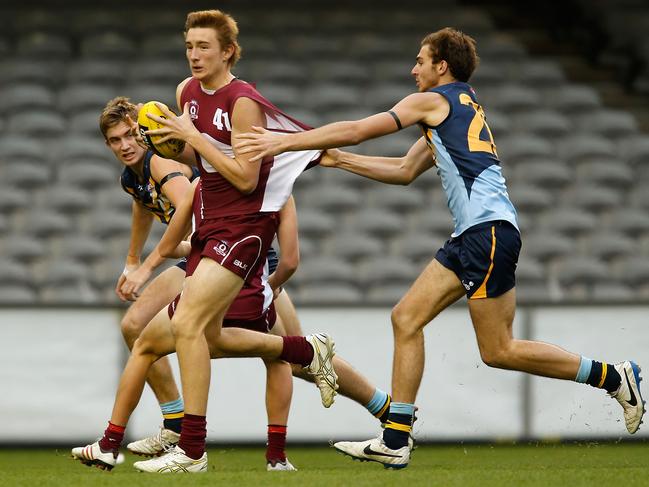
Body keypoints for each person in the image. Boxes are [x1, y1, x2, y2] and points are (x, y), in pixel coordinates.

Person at [235, 27, 645, 468]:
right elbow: (404, 170)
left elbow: (357, 130)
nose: (413, 69)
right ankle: (395, 439)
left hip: (485, 233)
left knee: (498, 351)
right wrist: (336, 161)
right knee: (406, 318)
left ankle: (613, 376)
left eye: (420, 60)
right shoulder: (459, 108)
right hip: (477, 234)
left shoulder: (434, 100)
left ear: (441, 66)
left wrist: (287, 141)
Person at [125, 9, 343, 472]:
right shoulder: (186, 92)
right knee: (204, 335)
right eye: (189, 46)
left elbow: (245, 178)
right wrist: (165, 140)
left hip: (245, 224)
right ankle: (306, 351)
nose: (194, 55)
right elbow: (194, 156)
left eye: (204, 47)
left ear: (228, 51)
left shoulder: (244, 102)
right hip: (211, 223)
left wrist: (191, 136)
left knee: (186, 326)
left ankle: (192, 450)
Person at [73, 181, 297, 472]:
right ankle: (277, 457)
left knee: (148, 345)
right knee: (278, 359)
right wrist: (273, 287)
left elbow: (170, 246)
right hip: (254, 292)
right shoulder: (279, 186)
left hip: (208, 288)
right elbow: (290, 261)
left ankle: (121, 443)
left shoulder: (203, 183)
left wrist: (150, 262)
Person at [100, 96, 198, 447]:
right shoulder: (132, 176)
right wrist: (131, 262)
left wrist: (150, 265)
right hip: (213, 256)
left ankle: (175, 425)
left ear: (143, 132)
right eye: (115, 140)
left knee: (135, 326)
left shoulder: (159, 161)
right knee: (291, 355)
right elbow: (142, 205)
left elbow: (187, 200)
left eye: (130, 135)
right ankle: (382, 412)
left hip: (228, 255)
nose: (125, 145)